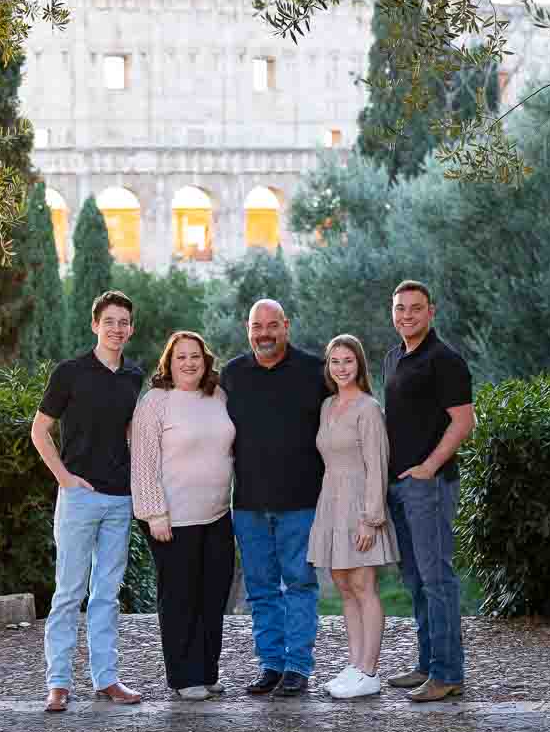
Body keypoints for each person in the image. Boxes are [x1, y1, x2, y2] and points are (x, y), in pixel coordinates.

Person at [31, 290, 146, 713]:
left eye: (124, 322)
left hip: (119, 500)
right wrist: (65, 478)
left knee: (106, 594)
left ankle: (107, 679)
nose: (117, 329)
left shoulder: (134, 376)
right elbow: (39, 431)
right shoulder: (70, 373)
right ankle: (58, 683)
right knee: (69, 591)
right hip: (79, 498)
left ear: (131, 329)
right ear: (95, 325)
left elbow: (132, 434)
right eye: (109, 321)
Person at [221, 299, 330, 697]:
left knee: (300, 584)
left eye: (272, 325)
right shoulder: (232, 375)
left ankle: (298, 668)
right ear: (247, 329)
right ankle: (271, 664)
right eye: (256, 326)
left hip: (301, 502)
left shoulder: (315, 371)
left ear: (286, 325)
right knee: (261, 589)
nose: (264, 334)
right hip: (248, 504)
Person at [382, 281, 476, 702]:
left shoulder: (445, 360)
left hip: (429, 486)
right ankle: (426, 664)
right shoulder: (393, 358)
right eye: (400, 308)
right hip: (399, 485)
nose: (407, 315)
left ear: (430, 312)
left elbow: (464, 421)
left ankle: (447, 673)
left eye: (415, 309)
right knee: (416, 579)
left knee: (438, 579)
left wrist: (429, 467)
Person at [131, 331, 236, 701]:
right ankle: (183, 676)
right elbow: (143, 461)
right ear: (169, 364)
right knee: (180, 598)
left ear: (205, 361)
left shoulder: (218, 396)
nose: (189, 363)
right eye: (181, 358)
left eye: (195, 356)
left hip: (218, 515)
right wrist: (154, 512)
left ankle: (207, 672)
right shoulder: (156, 402)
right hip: (172, 519)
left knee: (212, 596)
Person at [308, 334, 399, 699]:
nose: (341, 368)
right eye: (335, 361)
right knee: (344, 587)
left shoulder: (368, 408)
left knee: (363, 586)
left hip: (360, 502)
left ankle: (370, 670)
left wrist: (370, 518)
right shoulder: (327, 406)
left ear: (359, 364)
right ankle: (354, 664)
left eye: (348, 361)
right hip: (331, 500)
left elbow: (377, 465)